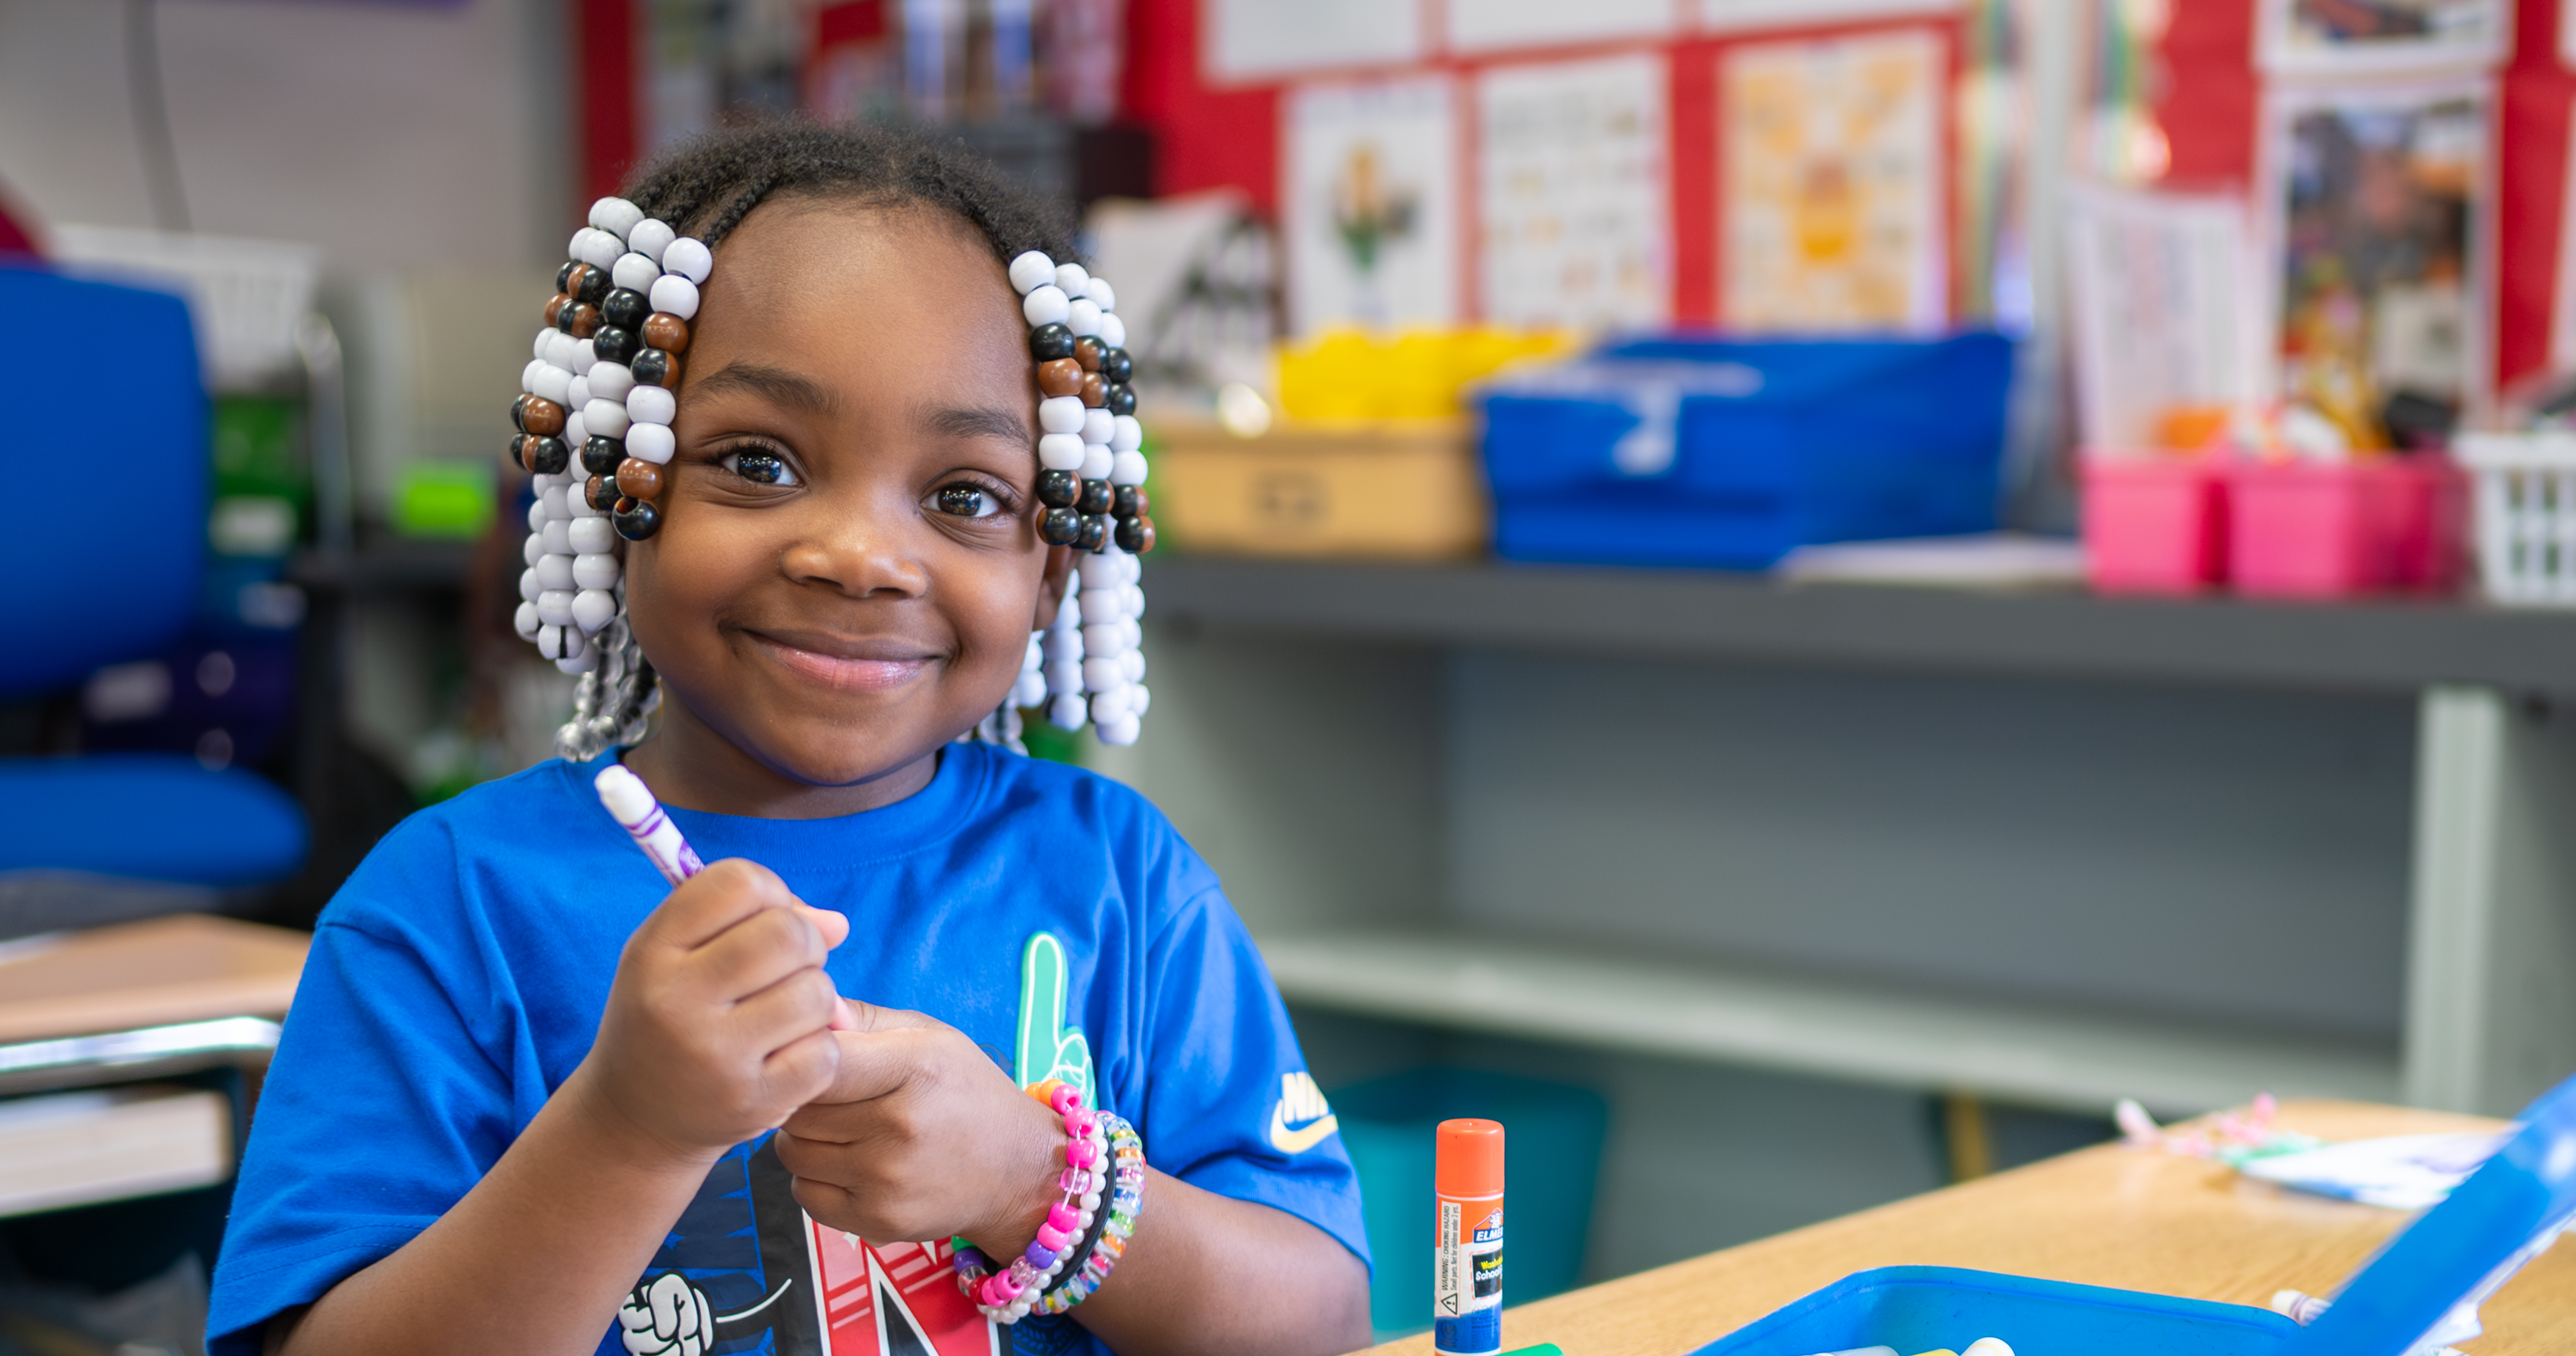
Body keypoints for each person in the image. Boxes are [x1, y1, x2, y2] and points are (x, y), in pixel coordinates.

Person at [207, 121, 1372, 1356]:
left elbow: (1323, 1318)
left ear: (1053, 571)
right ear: (618, 491)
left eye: (966, 498)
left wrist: (1032, 1182)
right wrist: (627, 1129)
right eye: (758, 463)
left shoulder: (1126, 886)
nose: (862, 557)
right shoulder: (448, 908)